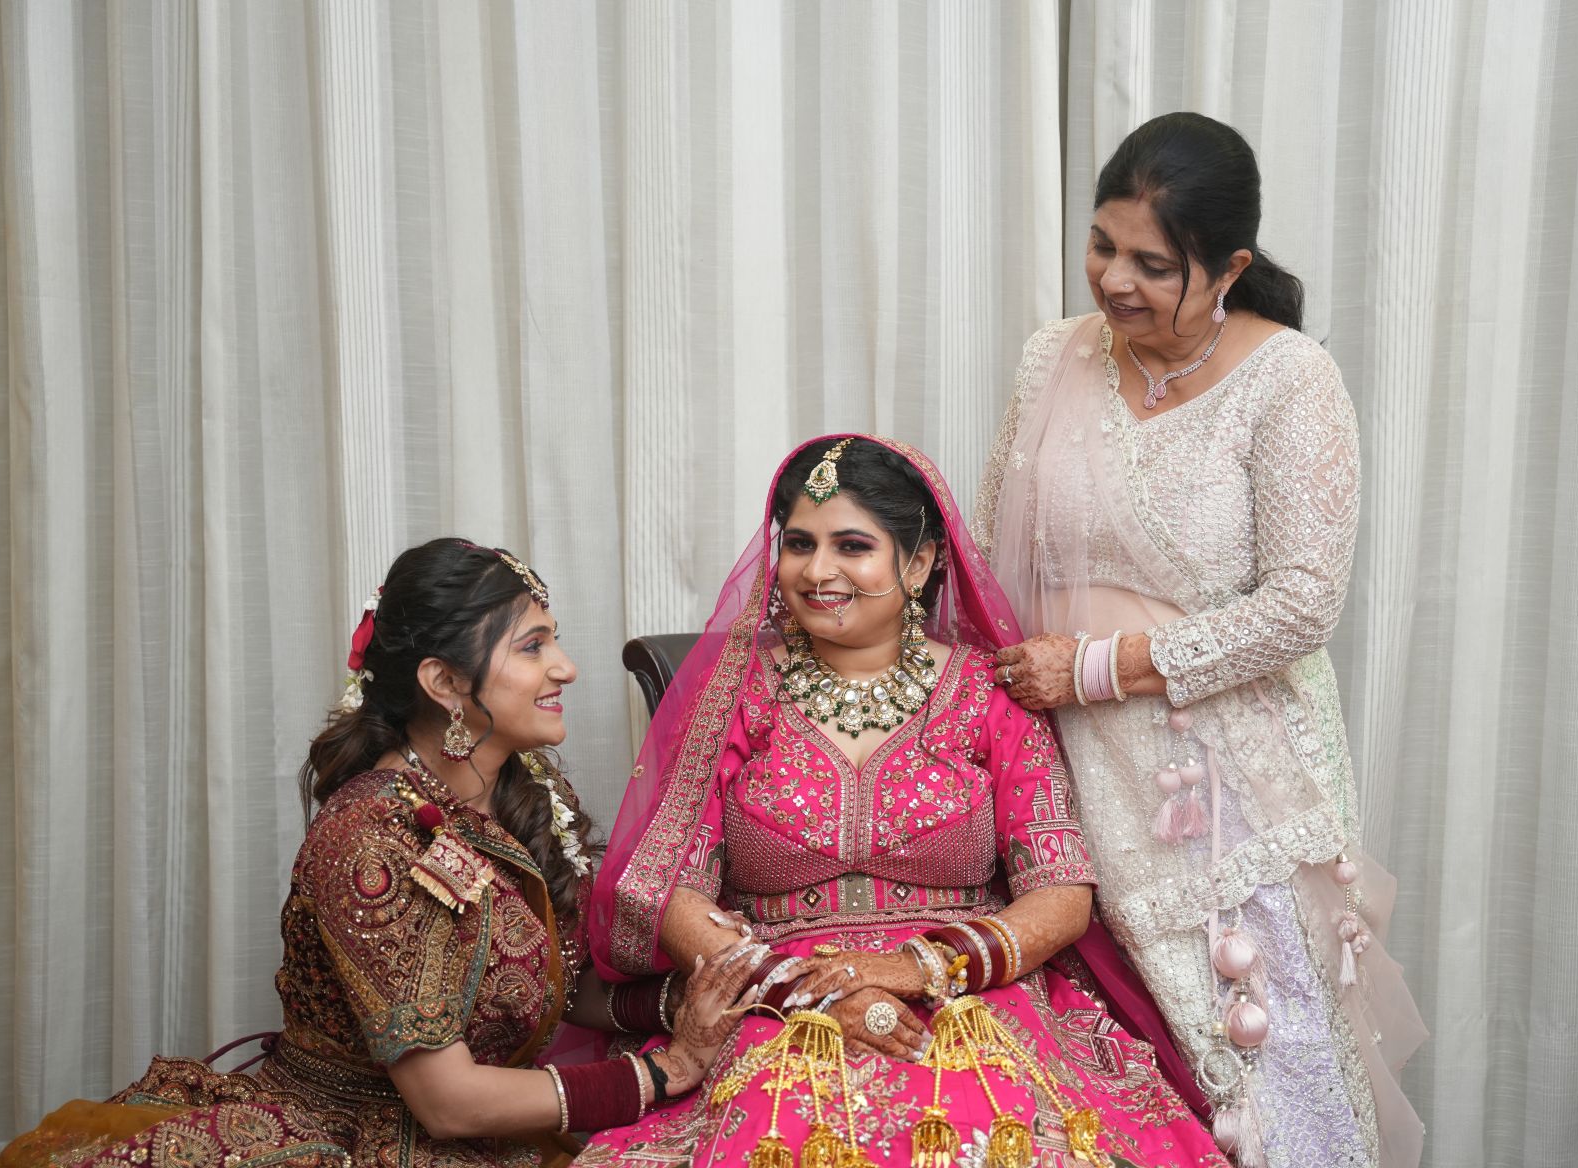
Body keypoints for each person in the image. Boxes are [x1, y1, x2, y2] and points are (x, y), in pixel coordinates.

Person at [975, 112, 1426, 1168]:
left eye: (1153, 263)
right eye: (1102, 245)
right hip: (1060, 761)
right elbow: (993, 551)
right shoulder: (1052, 358)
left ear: (1229, 267)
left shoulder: (1287, 379)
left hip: (1225, 779)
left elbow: (1303, 606)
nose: (1113, 280)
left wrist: (1097, 669)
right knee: (1109, 1077)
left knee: (1261, 1051)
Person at [0, 538, 751, 1168]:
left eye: (553, 639)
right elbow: (448, 1102)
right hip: (350, 1138)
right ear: (444, 683)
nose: (566, 666)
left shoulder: (520, 789)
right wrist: (664, 1070)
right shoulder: (374, 839)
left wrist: (696, 999)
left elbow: (557, 975)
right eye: (533, 646)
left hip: (493, 1136)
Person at [578, 437, 1226, 1167]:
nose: (817, 570)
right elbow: (671, 890)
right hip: (776, 993)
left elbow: (1061, 895)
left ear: (918, 564)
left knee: (991, 1125)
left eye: (852, 546)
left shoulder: (988, 694)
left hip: (970, 992)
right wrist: (811, 994)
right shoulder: (732, 692)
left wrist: (920, 969)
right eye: (799, 544)